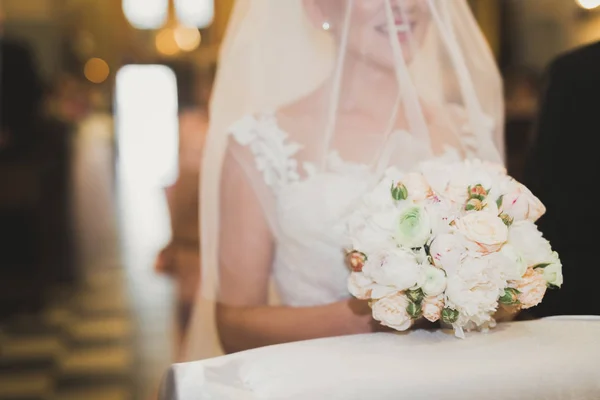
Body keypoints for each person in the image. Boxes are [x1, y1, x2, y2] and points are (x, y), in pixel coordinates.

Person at [182, 0, 507, 360]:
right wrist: (386, 314)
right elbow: (234, 326)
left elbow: (509, 287)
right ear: (318, 10)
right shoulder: (262, 143)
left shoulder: (470, 132)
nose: (404, 4)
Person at [525, 41, 600, 318]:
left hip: (581, 271)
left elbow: (543, 178)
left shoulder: (573, 69)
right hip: (584, 265)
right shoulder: (572, 71)